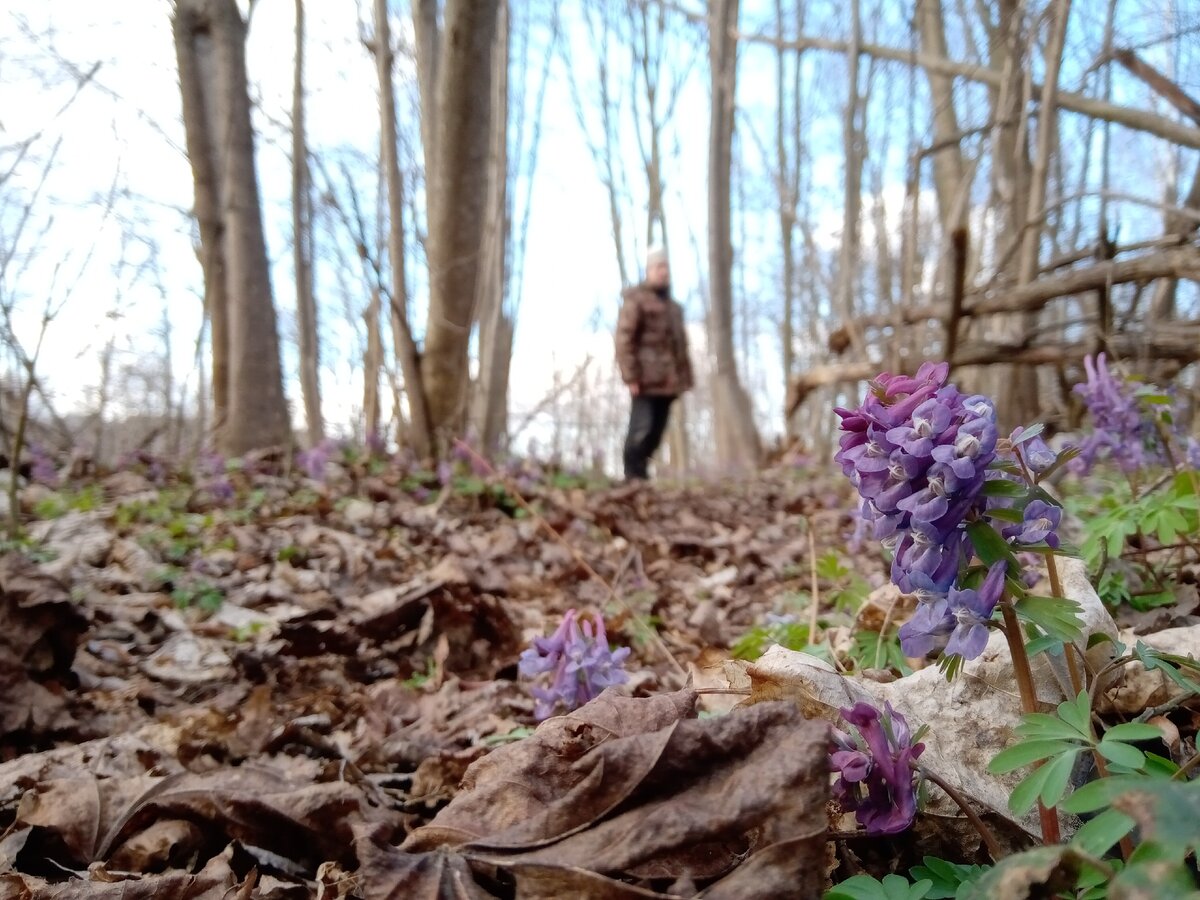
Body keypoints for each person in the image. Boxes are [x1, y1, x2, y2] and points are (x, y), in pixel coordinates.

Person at [614, 246, 694, 481]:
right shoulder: (636, 300)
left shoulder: (673, 308)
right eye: (659, 267)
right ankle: (632, 476)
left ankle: (641, 476)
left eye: (666, 267)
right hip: (645, 379)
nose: (663, 272)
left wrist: (684, 378)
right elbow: (624, 337)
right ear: (649, 270)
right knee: (641, 429)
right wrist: (631, 375)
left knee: (656, 434)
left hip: (669, 381)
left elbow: (680, 346)